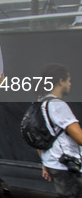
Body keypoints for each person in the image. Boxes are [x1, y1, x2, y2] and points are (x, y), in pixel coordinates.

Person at [39, 64, 82, 198]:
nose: (70, 83)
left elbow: (37, 138)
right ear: (60, 81)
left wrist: (44, 162)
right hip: (67, 166)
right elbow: (79, 138)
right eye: (68, 80)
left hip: (52, 163)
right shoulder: (58, 105)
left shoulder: (40, 103)